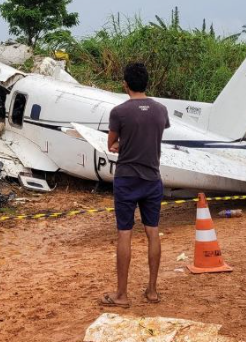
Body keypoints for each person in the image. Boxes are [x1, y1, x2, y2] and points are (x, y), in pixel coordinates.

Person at [100, 62, 170, 308]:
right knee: (153, 232)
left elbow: (112, 144)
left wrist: (122, 144)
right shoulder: (161, 110)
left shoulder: (118, 112)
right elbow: (155, 137)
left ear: (125, 85)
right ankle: (152, 291)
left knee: (125, 233)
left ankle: (121, 294)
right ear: (146, 83)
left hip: (127, 178)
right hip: (152, 178)